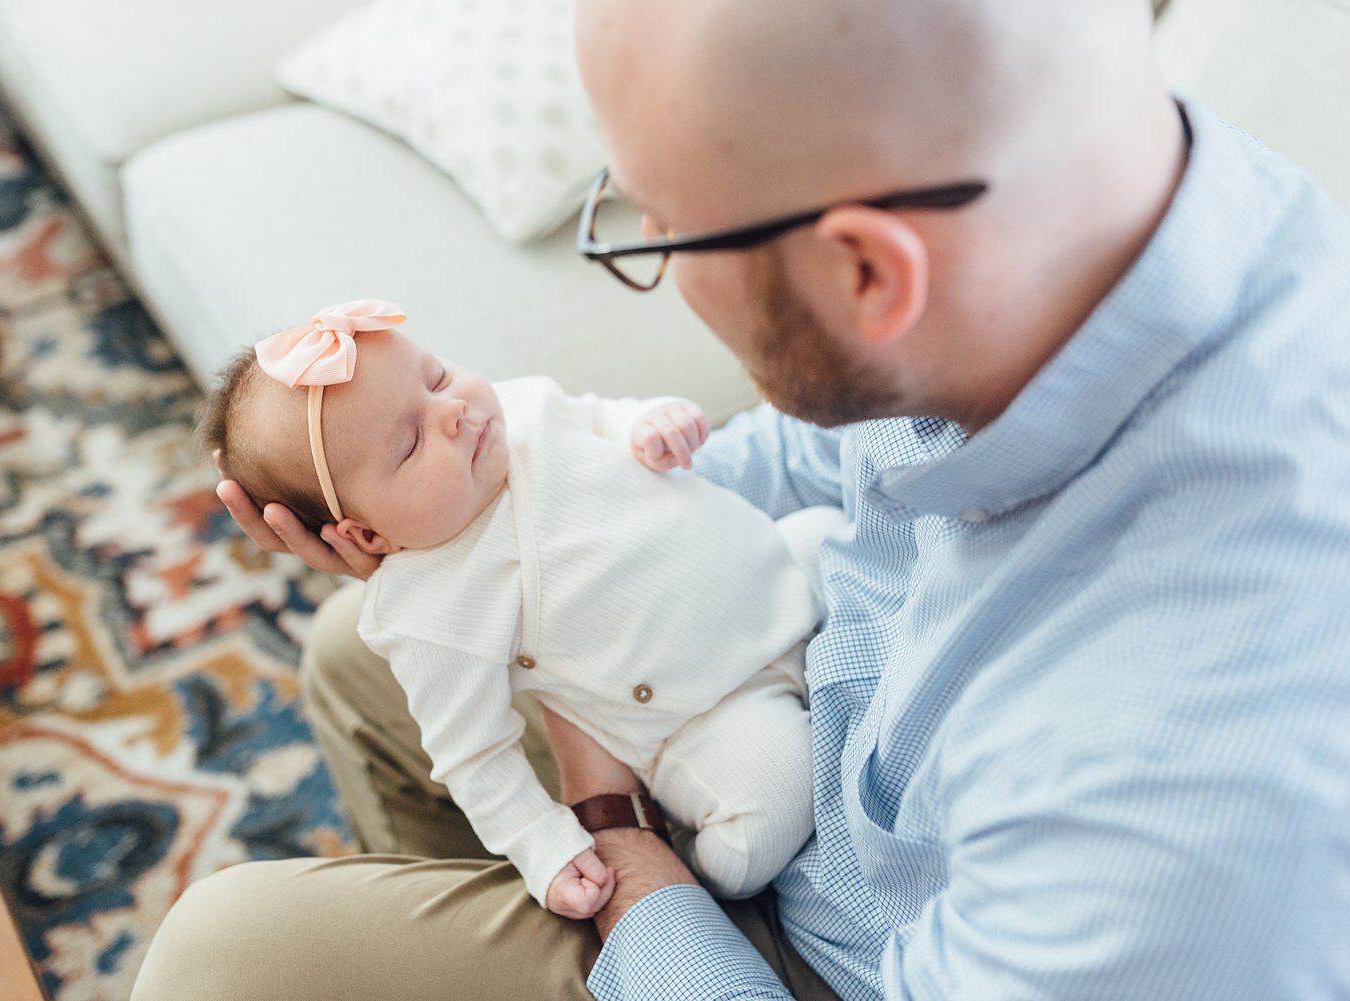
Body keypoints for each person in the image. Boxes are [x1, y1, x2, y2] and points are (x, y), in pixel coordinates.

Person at [133, 0, 1350, 997]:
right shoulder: (1091, 213)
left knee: (221, 959)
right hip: (816, 713)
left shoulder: (1164, 800)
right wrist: (487, 539)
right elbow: (827, 456)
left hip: (863, 947)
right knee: (367, 642)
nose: (650, 257)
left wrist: (621, 844)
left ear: (869, 269)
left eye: (659, 226)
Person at [197, 299, 830, 916]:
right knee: (770, 809)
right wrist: (543, 846)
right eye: (412, 442)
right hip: (710, 711)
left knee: (836, 530)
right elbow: (474, 753)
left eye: (437, 375)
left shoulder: (524, 408)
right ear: (366, 537)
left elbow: (606, 419)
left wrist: (652, 424)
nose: (452, 410)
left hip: (773, 569)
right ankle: (704, 870)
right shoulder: (428, 610)